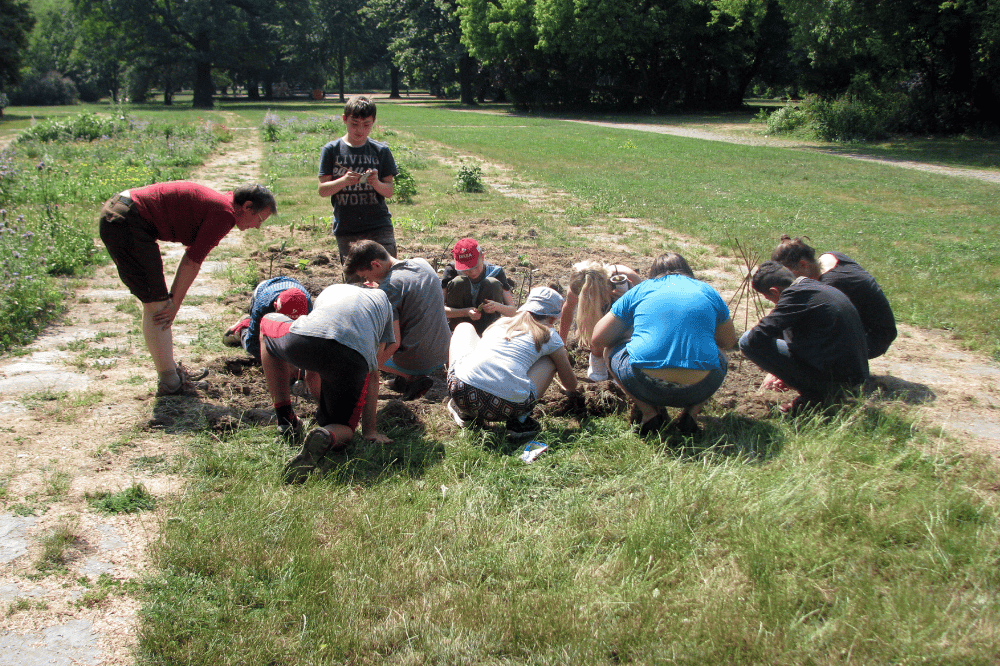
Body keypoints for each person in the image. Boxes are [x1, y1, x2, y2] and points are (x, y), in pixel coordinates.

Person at [98, 181, 276, 395]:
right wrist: (174, 303)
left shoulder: (223, 205)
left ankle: (170, 372)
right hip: (127, 219)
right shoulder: (225, 213)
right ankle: (171, 383)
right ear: (247, 206)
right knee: (160, 309)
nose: (257, 226)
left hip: (124, 212)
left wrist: (172, 300)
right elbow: (192, 261)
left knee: (157, 304)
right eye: (259, 219)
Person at [591, 252, 737, 438]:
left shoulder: (642, 289)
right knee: (721, 354)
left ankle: (649, 413)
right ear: (688, 271)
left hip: (644, 384)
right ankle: (691, 414)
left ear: (653, 274)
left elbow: (598, 339)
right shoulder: (708, 291)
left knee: (610, 349)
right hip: (700, 387)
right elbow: (729, 341)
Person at [259, 284, 395, 483]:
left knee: (266, 324)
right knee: (345, 429)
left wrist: (320, 405)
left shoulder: (331, 290)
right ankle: (326, 433)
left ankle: (286, 420)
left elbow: (312, 375)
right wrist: (370, 431)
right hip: (353, 359)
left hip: (307, 339)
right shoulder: (383, 301)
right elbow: (373, 374)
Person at [447, 287, 578, 441]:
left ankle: (464, 412)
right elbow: (570, 384)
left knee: (464, 327)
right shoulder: (550, 336)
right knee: (551, 360)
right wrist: (561, 356)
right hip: (505, 406)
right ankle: (519, 422)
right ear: (553, 319)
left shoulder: (502, 323)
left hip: (462, 393)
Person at [739, 261, 870, 414]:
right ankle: (819, 391)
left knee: (746, 341)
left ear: (774, 291)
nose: (774, 304)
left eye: (770, 299)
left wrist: (784, 371)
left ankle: (817, 396)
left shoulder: (795, 296)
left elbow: (757, 337)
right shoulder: (815, 288)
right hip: (854, 376)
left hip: (837, 382)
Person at [344, 240, 451, 401]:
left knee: (364, 353)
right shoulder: (421, 263)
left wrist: (370, 368)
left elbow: (394, 343)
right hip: (444, 350)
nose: (368, 280)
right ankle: (403, 377)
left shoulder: (388, 288)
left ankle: (411, 377)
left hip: (419, 361)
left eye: (366, 275)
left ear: (376, 264)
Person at [771, 235, 896, 358]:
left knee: (802, 336)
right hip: (866, 328)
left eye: (789, 275)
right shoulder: (828, 258)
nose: (789, 281)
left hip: (874, 339)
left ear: (803, 265)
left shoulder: (829, 286)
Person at [317, 94, 399, 267]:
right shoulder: (331, 150)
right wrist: (344, 181)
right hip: (347, 229)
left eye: (366, 125)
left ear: (373, 122)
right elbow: (323, 190)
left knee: (388, 276)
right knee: (355, 282)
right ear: (345, 120)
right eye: (354, 124)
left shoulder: (380, 150)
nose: (360, 130)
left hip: (379, 227)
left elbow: (389, 191)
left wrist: (376, 183)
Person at [558, 260, 642, 382]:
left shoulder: (628, 277)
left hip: (621, 318)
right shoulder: (575, 287)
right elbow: (568, 312)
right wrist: (562, 345)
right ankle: (597, 358)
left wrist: (628, 298)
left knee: (624, 333)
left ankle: (622, 361)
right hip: (594, 318)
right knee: (586, 330)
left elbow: (644, 310)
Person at [223, 276, 312, 360]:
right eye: (286, 319)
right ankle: (244, 327)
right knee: (255, 350)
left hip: (289, 286)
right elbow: (253, 344)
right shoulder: (264, 304)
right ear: (275, 307)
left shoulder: (307, 304)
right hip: (264, 289)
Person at [441, 237, 517, 335]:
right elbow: (439, 310)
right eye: (466, 269)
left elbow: (513, 312)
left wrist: (497, 307)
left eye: (475, 266)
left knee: (491, 283)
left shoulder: (495, 272)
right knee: (459, 282)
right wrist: (465, 312)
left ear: (483, 257)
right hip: (460, 329)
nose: (472, 272)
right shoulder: (452, 271)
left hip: (488, 329)